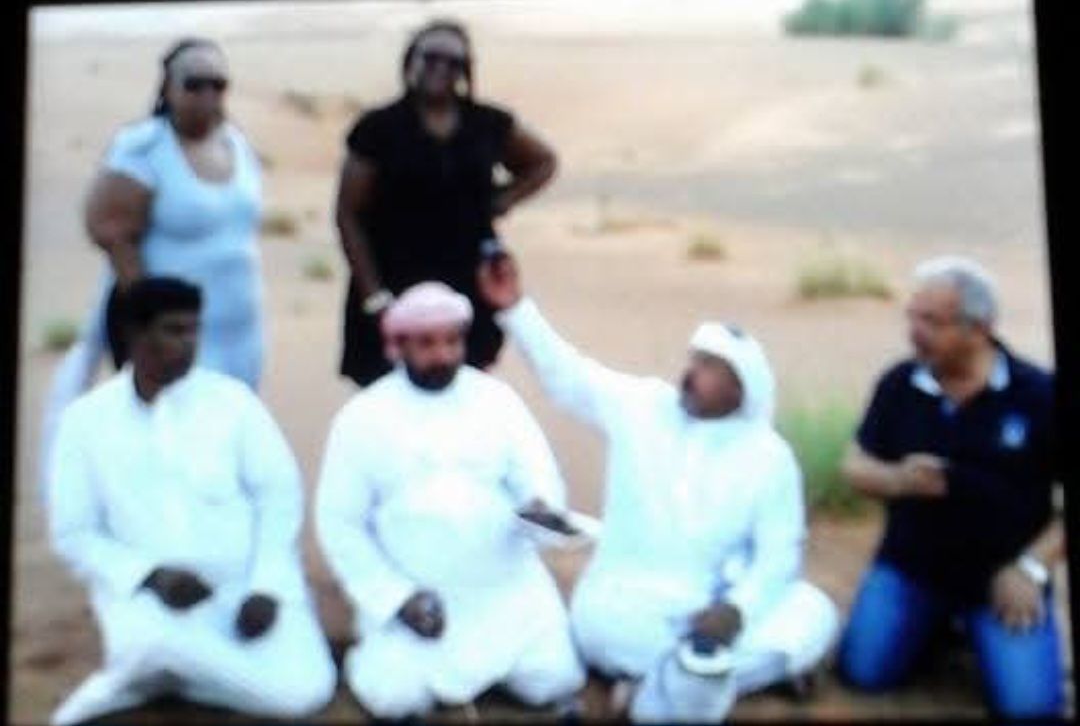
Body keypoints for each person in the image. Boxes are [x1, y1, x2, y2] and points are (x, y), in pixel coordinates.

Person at [477, 252, 838, 722]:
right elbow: (568, 376)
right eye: (694, 360)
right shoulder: (643, 408)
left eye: (710, 368)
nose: (691, 373)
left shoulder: (769, 457)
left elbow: (778, 557)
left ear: (740, 389)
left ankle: (658, 688)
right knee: (608, 632)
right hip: (628, 606)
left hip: (714, 611)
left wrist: (736, 610)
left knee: (814, 613)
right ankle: (695, 683)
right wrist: (514, 308)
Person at [45, 277, 336, 725]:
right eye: (173, 331)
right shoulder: (85, 423)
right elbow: (74, 533)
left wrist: (266, 585)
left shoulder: (233, 404)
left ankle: (149, 680)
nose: (188, 343)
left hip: (245, 588)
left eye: (194, 330)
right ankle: (167, 668)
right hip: (150, 602)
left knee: (305, 692)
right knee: (150, 642)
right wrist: (151, 576)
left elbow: (279, 499)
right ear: (135, 335)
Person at [314, 281, 585, 720]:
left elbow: (539, 480)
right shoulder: (363, 417)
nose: (442, 355)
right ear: (398, 345)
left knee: (553, 678)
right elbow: (339, 522)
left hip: (503, 593)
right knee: (393, 696)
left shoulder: (497, 401)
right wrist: (397, 599)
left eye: (452, 341)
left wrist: (540, 509)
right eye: (427, 343)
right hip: (418, 599)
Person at [836, 256, 1067, 719]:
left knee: (1031, 709)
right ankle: (939, 628)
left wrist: (1030, 568)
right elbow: (854, 464)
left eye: (931, 321)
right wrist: (898, 480)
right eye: (912, 316)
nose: (914, 331)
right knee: (863, 673)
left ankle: (967, 628)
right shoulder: (901, 383)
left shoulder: (1038, 395)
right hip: (912, 568)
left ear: (978, 329)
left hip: (1002, 578)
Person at [334, 19, 557, 387]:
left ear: (464, 70)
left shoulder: (487, 123)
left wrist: (503, 200)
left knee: (465, 390)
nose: (440, 67)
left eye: (453, 61)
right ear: (411, 61)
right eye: (430, 57)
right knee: (386, 395)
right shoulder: (378, 128)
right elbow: (348, 214)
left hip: (467, 278)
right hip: (392, 277)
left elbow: (543, 162)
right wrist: (374, 296)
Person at [85, 36, 266, 388]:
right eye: (194, 84)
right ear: (167, 88)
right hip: (175, 337)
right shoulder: (144, 147)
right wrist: (150, 323)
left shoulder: (236, 143)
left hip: (242, 333)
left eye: (218, 84)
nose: (207, 94)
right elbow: (111, 233)